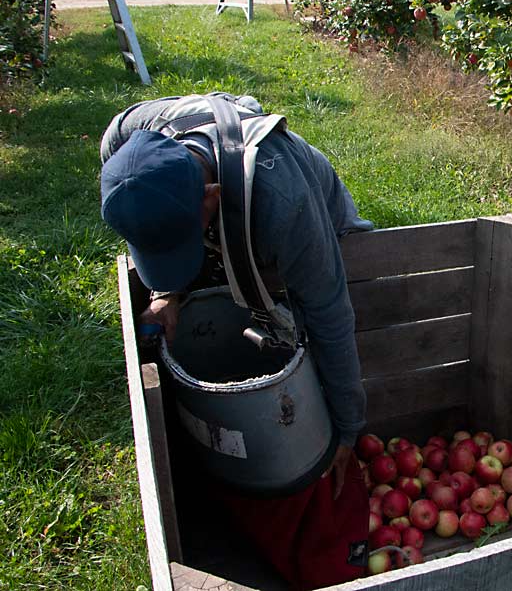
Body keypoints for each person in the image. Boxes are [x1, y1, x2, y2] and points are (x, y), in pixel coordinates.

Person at [99, 93, 372, 584]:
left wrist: (348, 428)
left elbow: (331, 314)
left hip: (313, 216)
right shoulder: (125, 148)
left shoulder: (285, 205)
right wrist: (168, 290)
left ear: (210, 198)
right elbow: (154, 215)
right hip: (230, 209)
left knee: (304, 309)